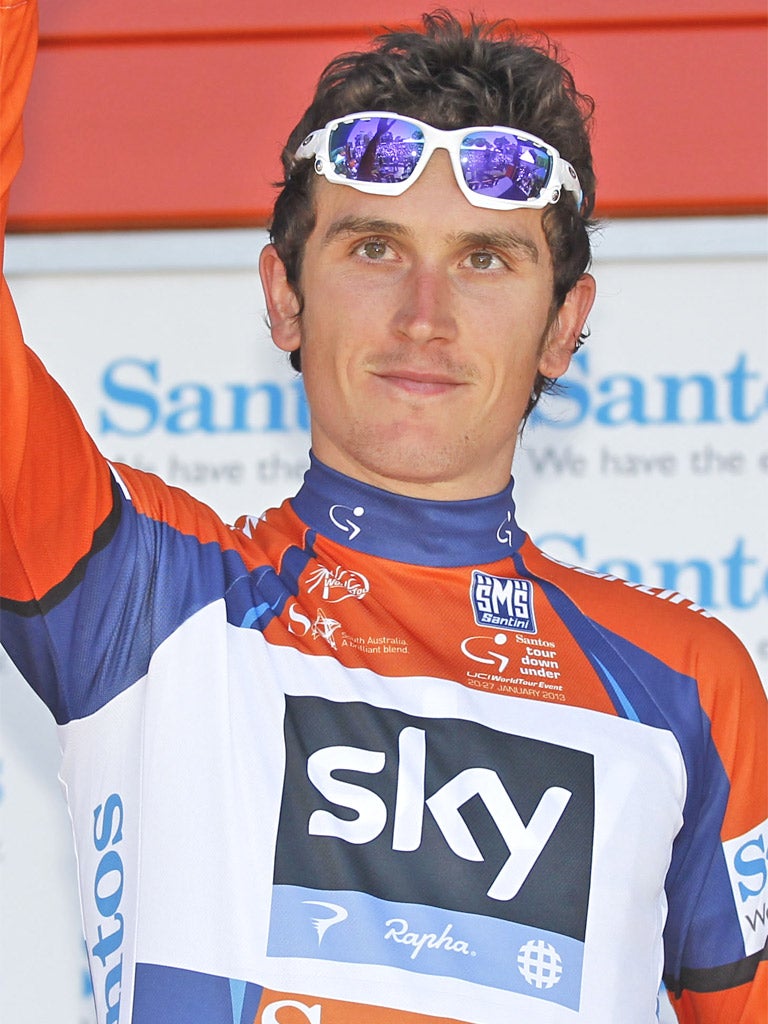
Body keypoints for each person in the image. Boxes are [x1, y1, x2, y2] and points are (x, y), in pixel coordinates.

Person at [1, 4, 765, 1023]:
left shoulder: (686, 687)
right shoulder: (143, 601)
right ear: (283, 296)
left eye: (485, 260)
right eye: (373, 248)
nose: (424, 315)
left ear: (565, 327)